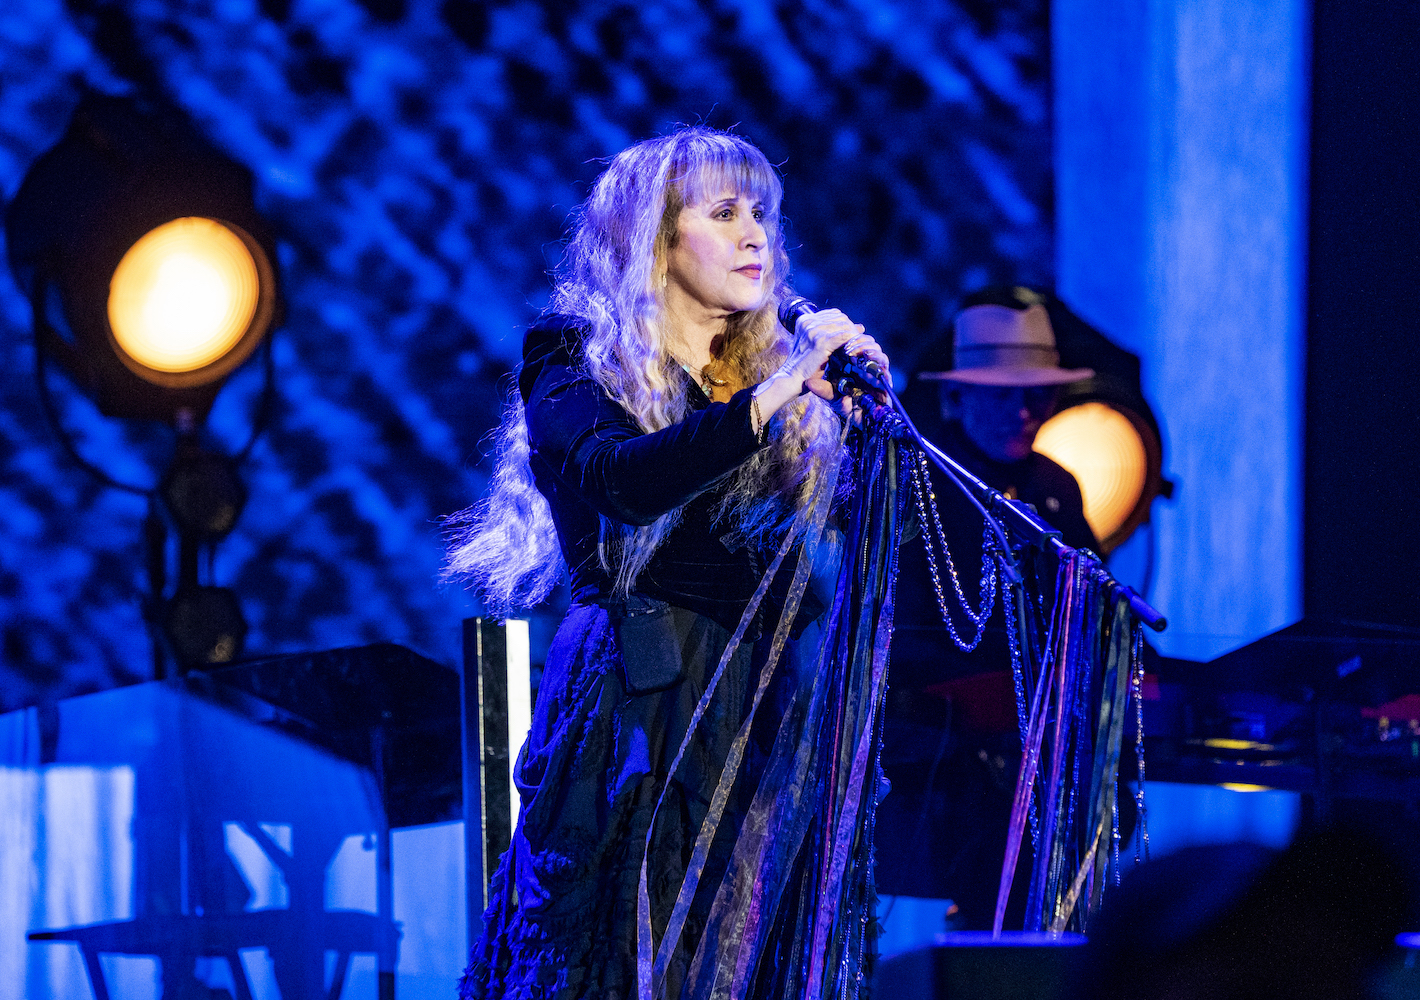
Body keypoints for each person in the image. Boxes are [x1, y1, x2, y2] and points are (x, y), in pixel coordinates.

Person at [446, 127, 890, 999]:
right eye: (724, 212)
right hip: (647, 697)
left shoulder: (781, 387)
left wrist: (872, 424)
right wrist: (777, 392)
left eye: (761, 213)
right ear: (655, 236)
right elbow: (623, 480)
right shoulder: (570, 357)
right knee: (627, 950)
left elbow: (886, 542)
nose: (755, 234)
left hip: (772, 709)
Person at [880, 287, 1098, 930]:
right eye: (1004, 396)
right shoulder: (919, 478)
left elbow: (1093, 603)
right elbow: (903, 629)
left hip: (1043, 753)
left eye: (1037, 395)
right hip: (943, 765)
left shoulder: (1056, 485)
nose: (1024, 412)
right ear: (957, 397)